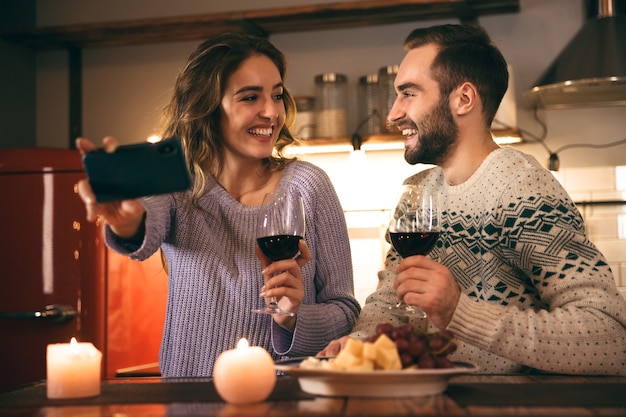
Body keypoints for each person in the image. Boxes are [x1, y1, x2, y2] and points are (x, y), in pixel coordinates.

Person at [319, 24, 626, 375]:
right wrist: (361, 339)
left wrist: (459, 311)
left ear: (463, 99)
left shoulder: (523, 192)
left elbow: (611, 337)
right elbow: (391, 299)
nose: (393, 113)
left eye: (408, 94)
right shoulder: (417, 194)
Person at [77, 32, 360, 377]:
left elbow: (345, 312)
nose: (271, 112)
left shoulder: (309, 186)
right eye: (250, 97)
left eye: (277, 95)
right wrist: (124, 221)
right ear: (209, 107)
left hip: (288, 402)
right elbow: (142, 229)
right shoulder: (178, 187)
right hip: (189, 400)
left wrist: (293, 316)